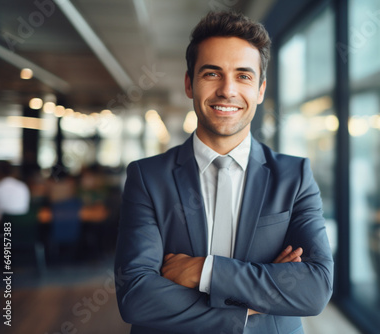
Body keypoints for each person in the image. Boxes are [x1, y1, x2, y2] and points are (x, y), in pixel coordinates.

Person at [115, 11, 333, 334]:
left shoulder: (295, 176)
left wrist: (205, 271)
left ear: (260, 89)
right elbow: (136, 295)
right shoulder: (147, 179)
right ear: (190, 84)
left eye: (243, 76)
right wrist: (250, 305)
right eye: (212, 74)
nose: (227, 90)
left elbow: (314, 289)